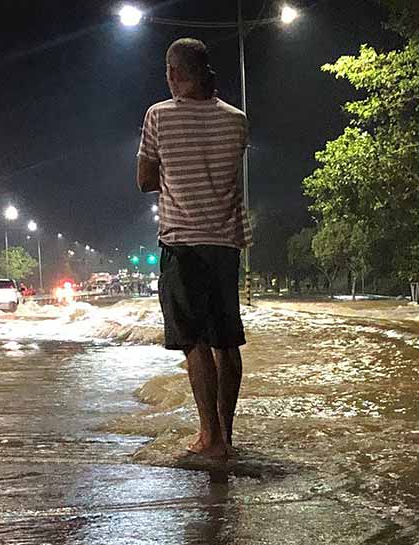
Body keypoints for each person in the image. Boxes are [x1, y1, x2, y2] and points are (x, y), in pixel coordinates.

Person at [136, 38, 251, 459]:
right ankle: (227, 434)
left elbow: (145, 180)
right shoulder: (238, 121)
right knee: (226, 341)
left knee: (194, 342)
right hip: (226, 242)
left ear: (173, 73)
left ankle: (209, 437)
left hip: (182, 242)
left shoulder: (159, 117)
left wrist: (172, 172)